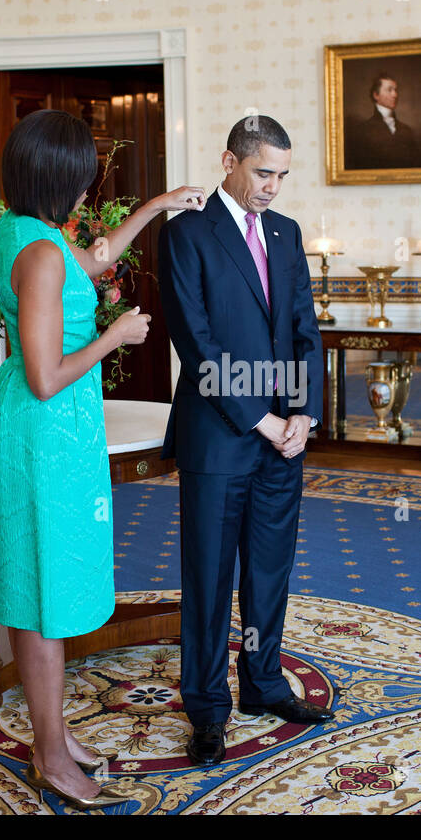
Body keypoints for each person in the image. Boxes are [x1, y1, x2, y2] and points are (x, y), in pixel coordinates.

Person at [0, 109, 204, 809]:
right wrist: (117, 335)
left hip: (42, 426)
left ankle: (54, 730)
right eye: (82, 179)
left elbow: (101, 256)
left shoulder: (25, 232)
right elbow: (47, 375)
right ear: (58, 177)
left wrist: (159, 207)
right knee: (44, 591)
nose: (87, 190)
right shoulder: (43, 254)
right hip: (44, 428)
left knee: (32, 579)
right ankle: (51, 754)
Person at [157, 115, 333, 767]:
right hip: (220, 436)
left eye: (283, 176)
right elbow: (198, 345)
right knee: (209, 578)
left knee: (267, 573)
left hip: (284, 440)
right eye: (264, 172)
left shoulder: (286, 235)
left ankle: (262, 685)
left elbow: (305, 331)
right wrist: (260, 418)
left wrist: (304, 416)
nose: (273, 188)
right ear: (228, 160)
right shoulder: (185, 236)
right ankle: (206, 708)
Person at [344, 73, 421, 170]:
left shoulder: (406, 130)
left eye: (395, 90)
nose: (395, 95)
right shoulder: (362, 131)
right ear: (376, 95)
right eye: (389, 90)